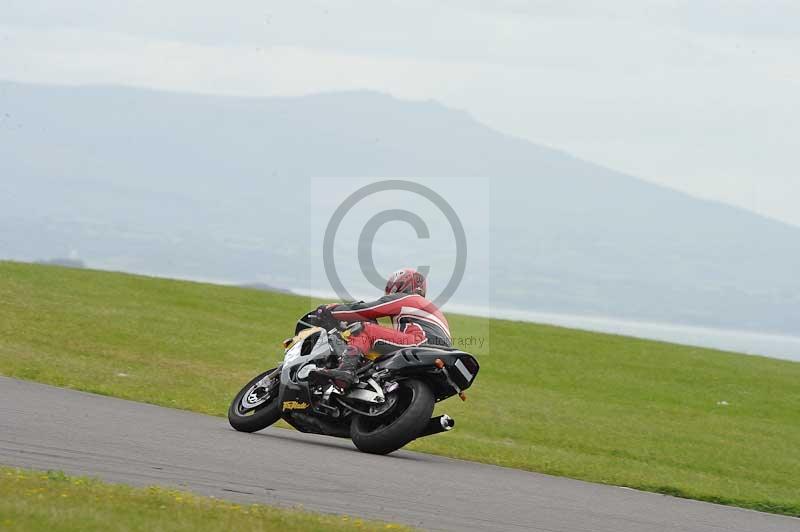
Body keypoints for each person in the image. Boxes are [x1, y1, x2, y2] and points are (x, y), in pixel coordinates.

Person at [311, 268, 451, 389]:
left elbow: (366, 310)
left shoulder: (407, 298)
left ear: (400, 284)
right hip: (440, 352)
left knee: (367, 330)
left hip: (421, 342)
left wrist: (331, 310)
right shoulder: (432, 309)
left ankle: (346, 370)